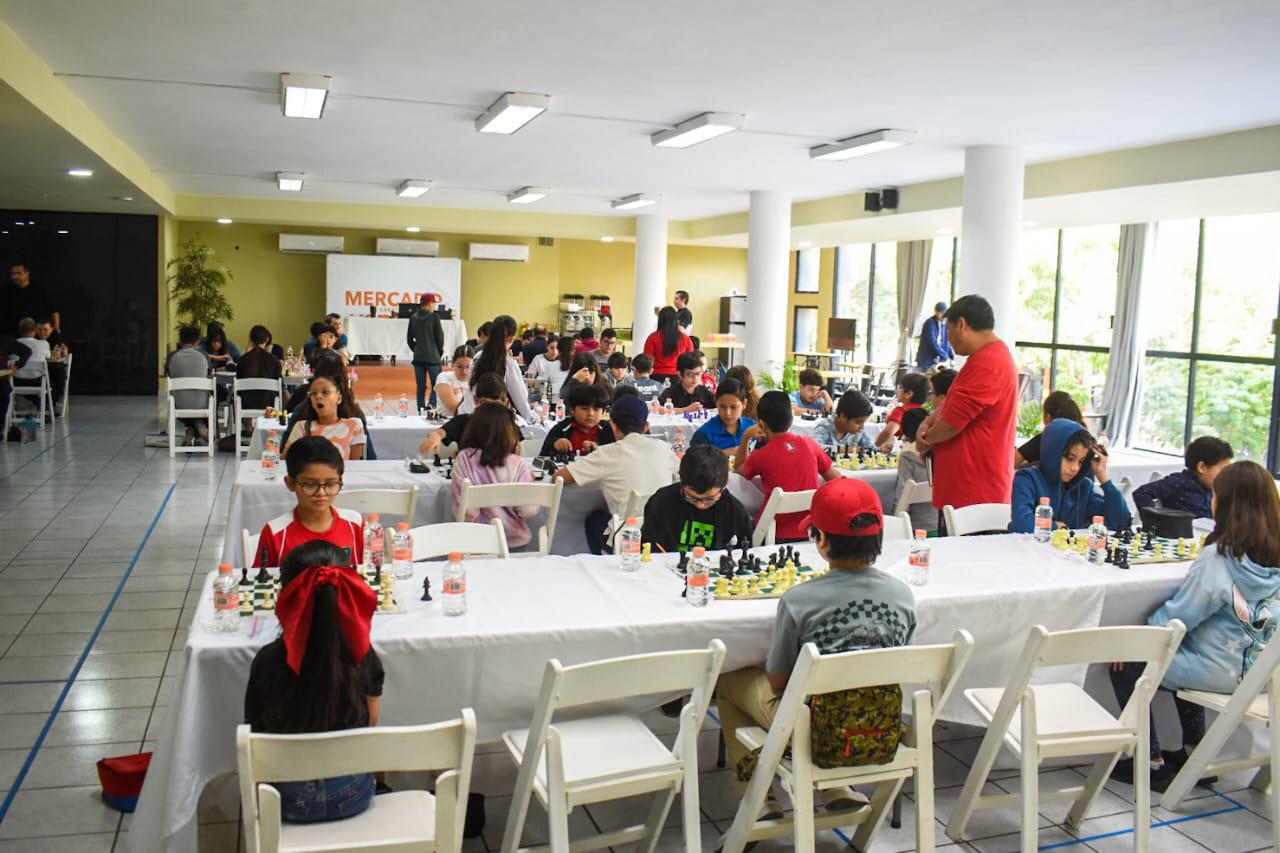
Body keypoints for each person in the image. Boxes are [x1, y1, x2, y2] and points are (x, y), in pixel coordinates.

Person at [715, 477, 916, 807]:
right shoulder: (903, 597)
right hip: (881, 729)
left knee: (729, 680)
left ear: (821, 540)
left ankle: (758, 802)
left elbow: (778, 679)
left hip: (815, 730)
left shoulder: (799, 600)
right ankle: (834, 789)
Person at [1110, 460, 1280, 792]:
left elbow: (1180, 617)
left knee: (1130, 661)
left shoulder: (1220, 558)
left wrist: (1141, 640)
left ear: (1228, 505)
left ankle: (1149, 761)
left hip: (1221, 673)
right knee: (1186, 650)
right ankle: (1195, 753)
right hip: (1263, 673)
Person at [244, 539, 381, 823]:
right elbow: (370, 723)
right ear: (347, 596)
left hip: (285, 800)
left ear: (287, 598)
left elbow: (256, 736)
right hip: (352, 796)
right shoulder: (364, 658)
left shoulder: (267, 661)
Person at [915, 296, 1018, 522]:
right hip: (967, 488)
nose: (948, 340)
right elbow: (952, 405)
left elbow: (953, 423)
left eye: (949, 331)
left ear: (962, 324)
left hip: (974, 490)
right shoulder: (983, 358)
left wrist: (926, 438)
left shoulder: (988, 363)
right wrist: (928, 423)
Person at [554, 394, 678, 554]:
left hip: (626, 539)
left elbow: (560, 477)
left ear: (613, 425)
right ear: (646, 426)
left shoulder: (607, 453)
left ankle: (604, 561)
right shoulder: (664, 449)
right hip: (665, 534)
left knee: (594, 519)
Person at [735, 390, 841, 541]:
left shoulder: (761, 455)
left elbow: (739, 467)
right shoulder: (810, 444)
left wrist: (746, 437)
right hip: (809, 531)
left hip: (772, 533)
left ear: (762, 424)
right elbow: (836, 479)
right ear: (791, 419)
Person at [254, 437, 365, 568]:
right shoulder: (275, 533)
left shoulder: (355, 524)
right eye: (310, 484)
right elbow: (260, 584)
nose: (321, 493)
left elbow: (365, 574)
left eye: (330, 484)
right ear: (290, 483)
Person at [1008, 419, 1130, 533]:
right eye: (1070, 458)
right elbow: (1021, 524)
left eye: (1081, 461)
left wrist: (1103, 476)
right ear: (1053, 452)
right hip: (1029, 552)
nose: (1075, 468)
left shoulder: (1083, 488)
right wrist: (1055, 526)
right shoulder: (1028, 479)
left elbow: (1120, 523)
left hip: (1067, 555)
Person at [452, 402, 540, 549]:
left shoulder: (464, 458)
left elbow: (466, 512)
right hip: (514, 543)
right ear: (509, 432)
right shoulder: (519, 465)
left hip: (475, 544)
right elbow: (528, 510)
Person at [642, 445, 753, 554]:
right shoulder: (661, 502)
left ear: (726, 482)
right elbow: (648, 544)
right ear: (680, 479)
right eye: (692, 498)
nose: (701, 505)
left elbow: (743, 551)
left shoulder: (734, 512)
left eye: (710, 499)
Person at [1133, 437, 1234, 520]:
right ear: (1202, 467)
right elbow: (1142, 493)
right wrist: (1155, 521)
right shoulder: (1180, 482)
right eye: (1223, 470)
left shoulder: (1212, 490)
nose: (1227, 476)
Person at [462, 315, 536, 423]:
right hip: (494, 421)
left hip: (469, 417)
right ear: (512, 339)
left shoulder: (477, 357)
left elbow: (469, 387)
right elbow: (520, 400)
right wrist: (534, 418)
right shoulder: (508, 363)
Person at [419, 373, 510, 456]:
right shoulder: (463, 421)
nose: (489, 410)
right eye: (485, 404)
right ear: (475, 400)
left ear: (505, 403)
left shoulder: (509, 425)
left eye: (496, 405)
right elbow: (440, 432)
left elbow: (517, 449)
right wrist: (435, 437)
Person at [284, 375, 367, 461]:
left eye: (325, 392)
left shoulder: (353, 425)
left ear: (339, 398)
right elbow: (285, 461)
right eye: (313, 393)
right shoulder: (302, 427)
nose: (318, 396)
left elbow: (355, 466)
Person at [165, 325, 212, 446]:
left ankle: (191, 430)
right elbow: (209, 375)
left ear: (180, 341)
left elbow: (168, 374)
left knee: (185, 397)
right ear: (198, 341)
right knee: (213, 396)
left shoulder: (171, 357)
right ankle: (199, 428)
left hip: (178, 404)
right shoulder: (204, 356)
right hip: (202, 404)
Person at [1013, 391, 1085, 468]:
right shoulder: (1085, 439)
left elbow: (1011, 462)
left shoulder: (1046, 439)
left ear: (1048, 417)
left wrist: (1030, 466)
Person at [541, 381, 614, 456]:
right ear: (572, 410)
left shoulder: (609, 430)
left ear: (603, 412)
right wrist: (554, 444)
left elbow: (618, 457)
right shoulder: (561, 430)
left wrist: (599, 450)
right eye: (584, 408)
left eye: (596, 409)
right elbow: (541, 457)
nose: (590, 414)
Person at [892, 408, 935, 532]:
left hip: (915, 529)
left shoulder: (907, 457)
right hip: (943, 525)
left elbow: (902, 495)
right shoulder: (943, 454)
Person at [690, 378, 756, 452]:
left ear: (744, 404)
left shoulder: (753, 428)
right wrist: (723, 453)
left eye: (733, 407)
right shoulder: (704, 435)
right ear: (716, 402)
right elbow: (694, 462)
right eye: (722, 406)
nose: (728, 413)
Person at [407, 294, 445, 411]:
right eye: (434, 303)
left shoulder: (413, 318)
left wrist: (417, 349)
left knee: (421, 386)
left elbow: (409, 339)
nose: (434, 306)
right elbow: (440, 337)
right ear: (430, 304)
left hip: (418, 357)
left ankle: (420, 408)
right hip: (433, 357)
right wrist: (438, 352)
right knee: (437, 383)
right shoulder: (434, 317)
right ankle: (432, 404)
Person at [874, 373, 930, 452]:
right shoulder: (923, 412)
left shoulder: (901, 410)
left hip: (904, 451)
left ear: (909, 394)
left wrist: (875, 446)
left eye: (900, 387)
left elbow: (888, 432)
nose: (897, 390)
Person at [236, 324, 283, 414]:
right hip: (269, 404)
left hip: (245, 405)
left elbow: (239, 382)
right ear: (267, 339)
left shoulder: (243, 359)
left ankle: (249, 427)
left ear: (250, 339)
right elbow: (280, 384)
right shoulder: (274, 360)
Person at [3, 262, 58, 337]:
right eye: (13, 274)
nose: (15, 276)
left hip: (35, 334)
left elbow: (54, 311)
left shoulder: (38, 290)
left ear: (27, 273)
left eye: (19, 273)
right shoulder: (5, 290)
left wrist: (56, 330)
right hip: (11, 333)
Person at [812, 390, 876, 453]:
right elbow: (813, 447)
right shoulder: (825, 427)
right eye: (858, 422)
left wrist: (882, 449)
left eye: (864, 422)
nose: (862, 427)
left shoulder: (858, 432)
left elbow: (871, 448)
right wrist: (846, 450)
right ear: (843, 417)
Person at [643, 306, 694, 382]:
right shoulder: (685, 339)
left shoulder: (652, 337)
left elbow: (647, 359)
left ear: (660, 320)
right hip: (678, 377)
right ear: (676, 320)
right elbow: (691, 360)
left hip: (656, 376)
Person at [433, 345, 474, 415]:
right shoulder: (444, 377)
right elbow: (453, 407)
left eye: (468, 367)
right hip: (446, 422)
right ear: (453, 363)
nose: (464, 371)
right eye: (459, 367)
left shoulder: (475, 380)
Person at [916, 302, 954, 369]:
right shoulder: (930, 323)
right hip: (927, 360)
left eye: (943, 313)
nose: (941, 315)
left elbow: (947, 342)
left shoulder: (944, 324)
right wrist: (945, 356)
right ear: (936, 312)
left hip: (939, 360)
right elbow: (932, 342)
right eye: (940, 313)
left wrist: (951, 357)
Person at [13, 317, 49, 383]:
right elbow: (48, 358)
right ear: (34, 330)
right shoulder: (44, 343)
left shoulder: (11, 344)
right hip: (37, 380)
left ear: (19, 330)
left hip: (16, 381)